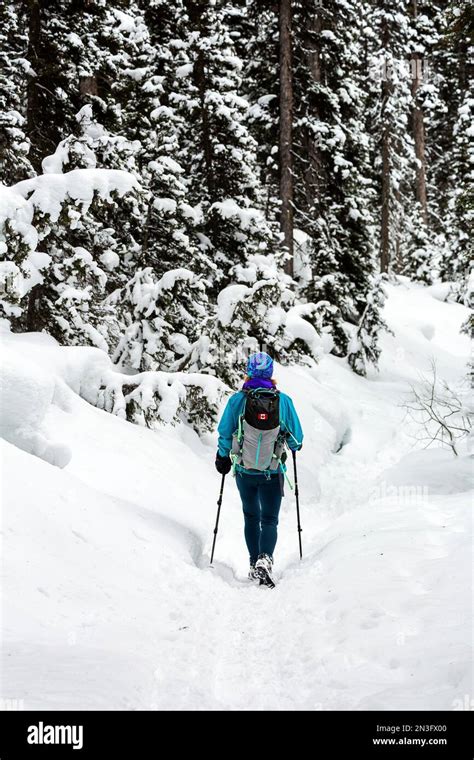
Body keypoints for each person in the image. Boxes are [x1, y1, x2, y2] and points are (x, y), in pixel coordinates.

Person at [215, 351, 303, 587]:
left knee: (251, 517)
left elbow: (224, 432)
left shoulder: (238, 400)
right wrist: (292, 445)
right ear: (271, 373)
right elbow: (297, 439)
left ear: (249, 372)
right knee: (270, 520)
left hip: (244, 471)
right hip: (272, 471)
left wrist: (222, 457)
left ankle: (255, 563)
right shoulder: (283, 401)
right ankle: (266, 559)